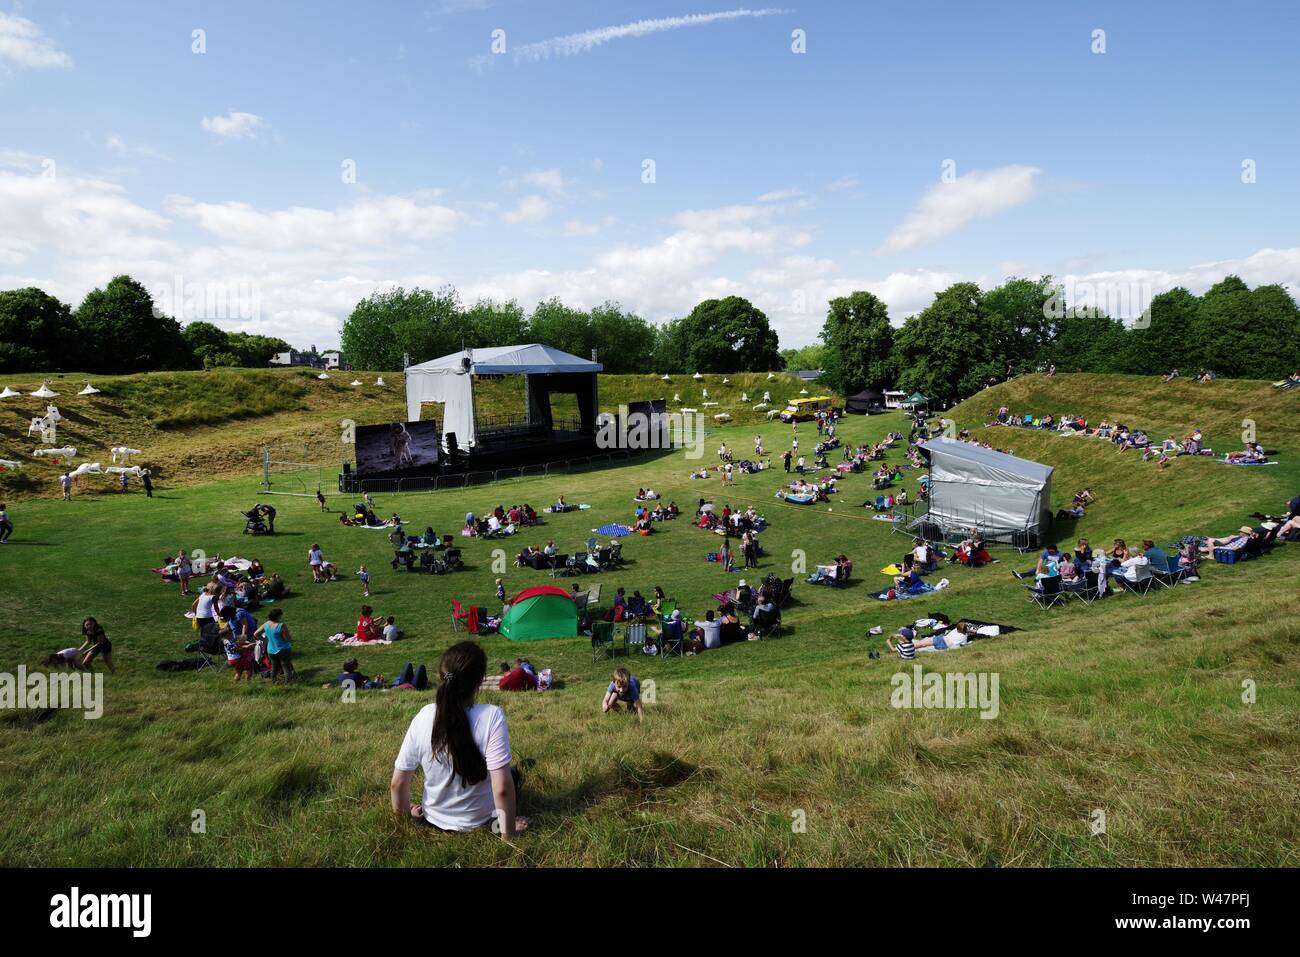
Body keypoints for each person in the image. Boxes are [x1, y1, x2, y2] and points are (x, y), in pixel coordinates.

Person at [390, 641, 527, 838]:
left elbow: (398, 783)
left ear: (441, 676)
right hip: (483, 820)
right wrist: (509, 834)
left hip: (433, 819)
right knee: (512, 775)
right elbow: (502, 788)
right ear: (480, 681)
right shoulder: (492, 716)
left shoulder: (424, 715)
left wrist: (404, 820)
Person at [255, 608, 296, 682]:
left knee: (274, 666)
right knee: (286, 666)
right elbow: (287, 639)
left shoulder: (266, 624)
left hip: (270, 650)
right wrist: (290, 637)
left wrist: (265, 640)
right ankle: (289, 682)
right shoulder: (281, 626)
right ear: (278, 616)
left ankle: (274, 681)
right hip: (283, 649)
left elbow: (256, 634)